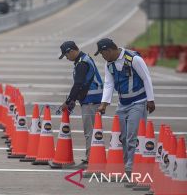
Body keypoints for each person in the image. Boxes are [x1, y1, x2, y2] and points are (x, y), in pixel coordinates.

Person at [94, 38, 155, 173]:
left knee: (132, 136)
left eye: (103, 53)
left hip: (138, 102)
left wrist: (150, 99)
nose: (103, 57)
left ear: (109, 51)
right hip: (122, 104)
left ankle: (131, 166)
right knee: (121, 136)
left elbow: (146, 77)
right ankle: (125, 161)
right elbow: (109, 84)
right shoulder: (109, 64)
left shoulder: (133, 59)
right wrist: (104, 104)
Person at [58, 41, 103, 166]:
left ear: (71, 51)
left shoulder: (82, 63)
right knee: (91, 131)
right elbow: (83, 84)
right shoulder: (83, 60)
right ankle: (93, 158)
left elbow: (78, 84)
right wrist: (74, 99)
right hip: (90, 99)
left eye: (66, 55)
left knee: (90, 131)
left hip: (91, 100)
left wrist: (68, 101)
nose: (67, 58)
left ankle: (91, 160)